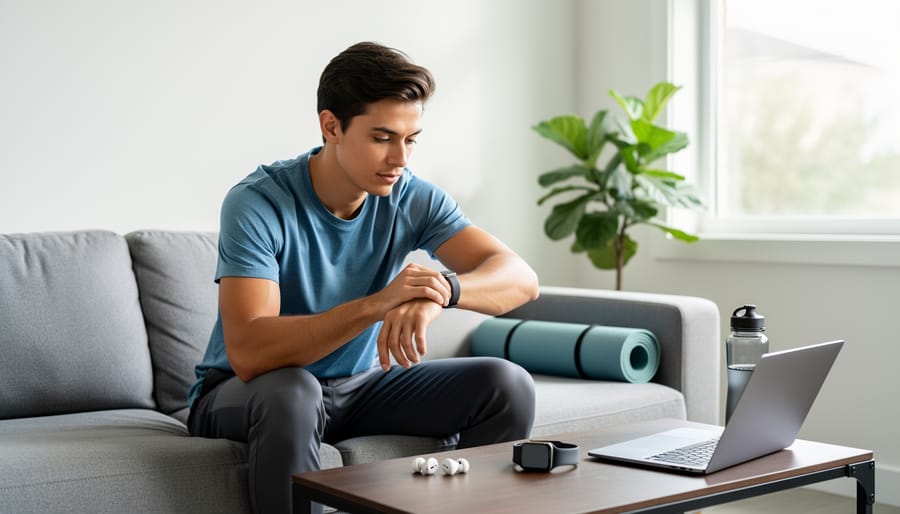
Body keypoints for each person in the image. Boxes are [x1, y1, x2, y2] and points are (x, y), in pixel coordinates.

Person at [187, 41, 540, 514]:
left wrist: (441, 291)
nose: (401, 158)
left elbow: (519, 277)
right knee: (294, 390)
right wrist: (378, 304)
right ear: (331, 126)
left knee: (506, 383)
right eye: (382, 137)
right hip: (251, 393)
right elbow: (250, 352)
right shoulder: (259, 203)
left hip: (359, 387)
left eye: (411, 139)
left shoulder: (410, 196)